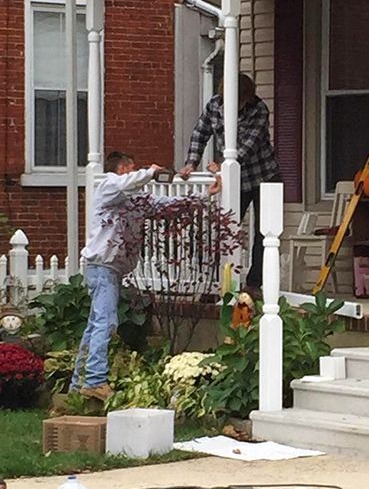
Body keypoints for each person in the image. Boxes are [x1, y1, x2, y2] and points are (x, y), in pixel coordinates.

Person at [71, 151, 164, 401]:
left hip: (109, 269)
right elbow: (127, 183)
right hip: (101, 267)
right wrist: (150, 173)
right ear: (123, 168)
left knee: (96, 325)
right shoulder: (108, 185)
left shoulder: (131, 199)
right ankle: (94, 381)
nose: (133, 174)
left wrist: (203, 196)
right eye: (131, 169)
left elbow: (161, 205)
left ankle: (78, 383)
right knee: (105, 323)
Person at [180, 73, 280, 292]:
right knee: (226, 228)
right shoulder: (214, 105)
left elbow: (247, 147)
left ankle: (254, 283)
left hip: (264, 176)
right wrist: (191, 163)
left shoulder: (259, 110)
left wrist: (225, 165)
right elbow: (200, 132)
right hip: (235, 179)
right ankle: (219, 284)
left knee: (265, 233)